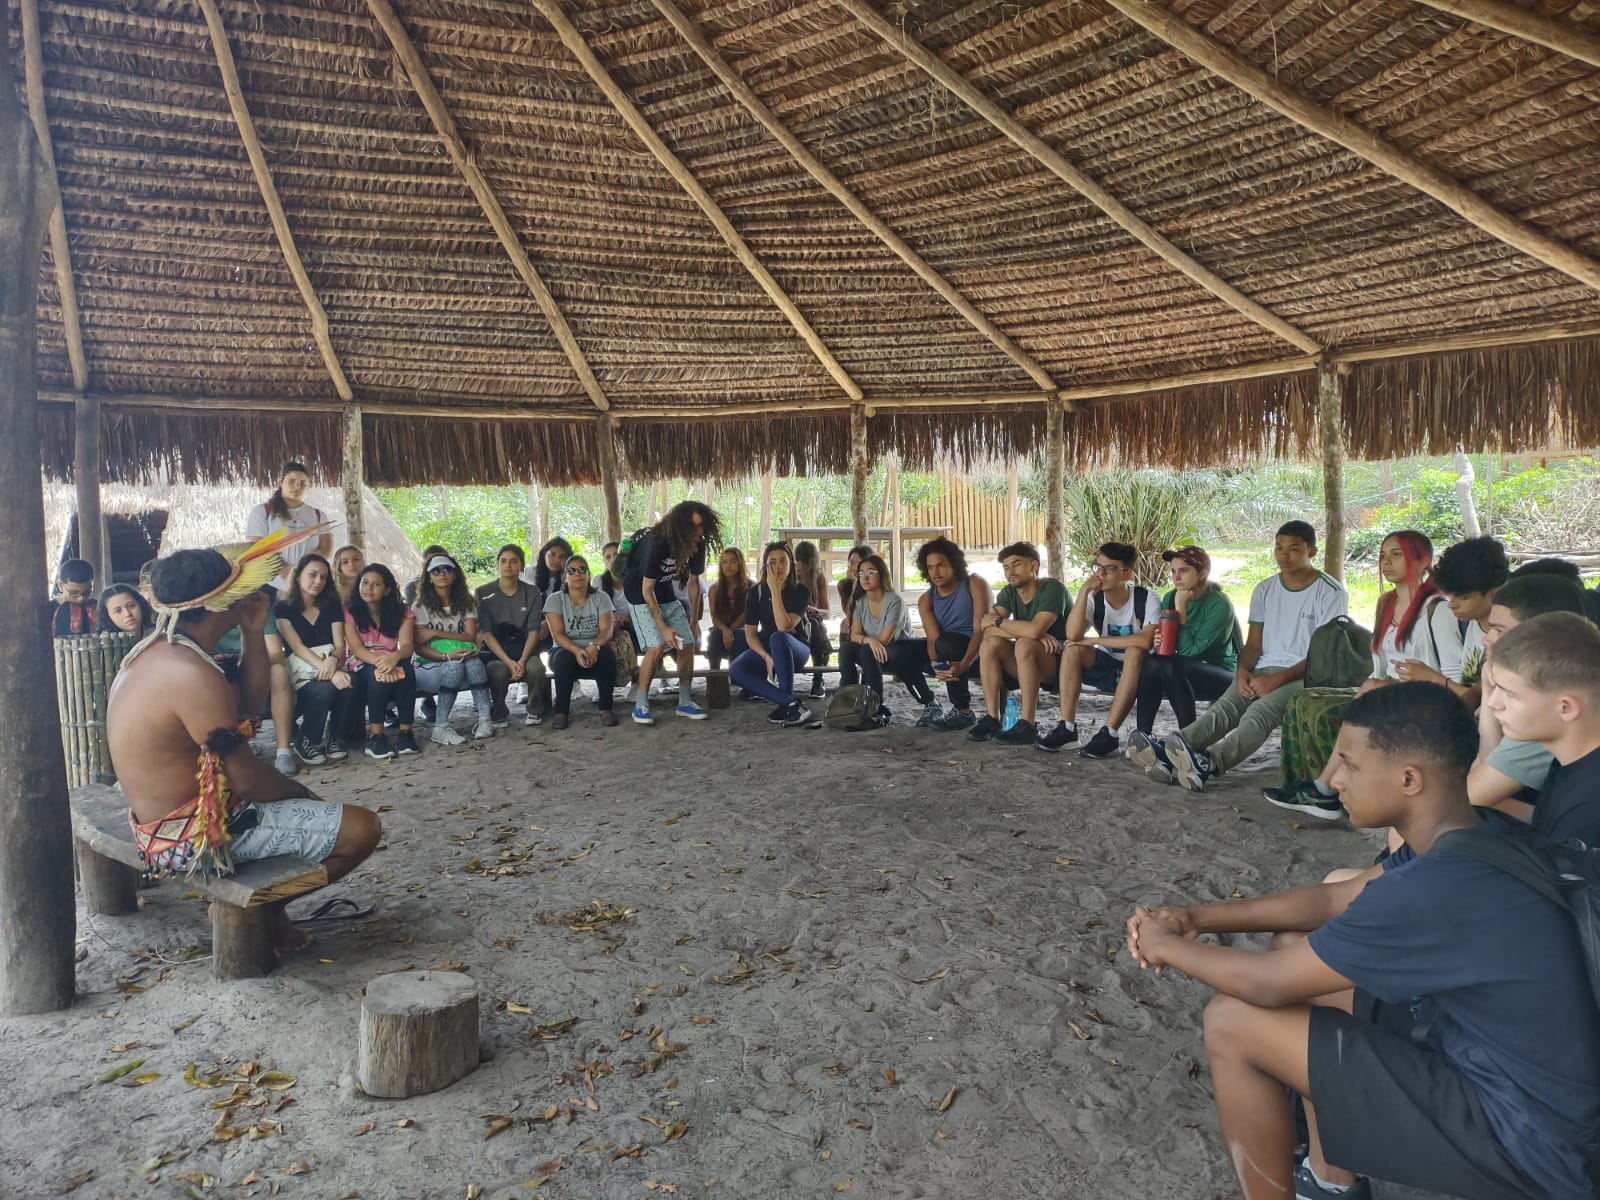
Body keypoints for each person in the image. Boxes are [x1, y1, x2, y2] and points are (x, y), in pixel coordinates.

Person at [1126, 683, 1600, 1200]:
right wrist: (1196, 918)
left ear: (1409, 779)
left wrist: (1164, 945)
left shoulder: (1437, 888)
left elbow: (1264, 985)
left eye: (1348, 763)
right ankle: (1334, 1182)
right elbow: (1335, 900)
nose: (1331, 779)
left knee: (1231, 1021)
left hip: (1533, 1141)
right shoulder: (1475, 834)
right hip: (1523, 1080)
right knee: (1292, 945)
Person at [106, 540, 380, 954]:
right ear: (224, 600)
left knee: (307, 812)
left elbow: (249, 709)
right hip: (188, 839)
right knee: (362, 828)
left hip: (167, 826)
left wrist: (254, 635)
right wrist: (304, 795)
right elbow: (248, 781)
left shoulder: (165, 654)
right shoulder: (189, 673)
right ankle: (261, 913)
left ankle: (271, 915)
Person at [1264, 530, 1463, 820]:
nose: (1387, 562)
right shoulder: (1386, 603)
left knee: (1331, 710)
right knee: (1301, 700)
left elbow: (1453, 676)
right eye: (1383, 555)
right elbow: (1379, 666)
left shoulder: (1437, 609)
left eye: (1397, 554)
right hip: (1385, 688)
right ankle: (1304, 786)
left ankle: (1327, 791)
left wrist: (1420, 677)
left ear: (1424, 562)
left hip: (1425, 696)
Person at [1152, 522, 1347, 792]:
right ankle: (1173, 748)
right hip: (1263, 668)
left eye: (1293, 549)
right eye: (1279, 547)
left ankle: (1210, 762)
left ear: (1311, 551)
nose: (1283, 555)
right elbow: (1253, 644)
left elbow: (1324, 655)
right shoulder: (1265, 589)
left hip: (1308, 674)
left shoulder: (1330, 592)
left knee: (1259, 712)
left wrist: (1277, 679)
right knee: (1226, 707)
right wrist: (1243, 671)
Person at [1468, 571, 1590, 812]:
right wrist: (1491, 685)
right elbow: (1486, 765)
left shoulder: (1545, 705)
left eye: (1500, 631)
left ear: (1537, 636)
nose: (1486, 640)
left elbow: (1472, 795)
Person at [1482, 610, 1600, 844]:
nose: (1493, 703)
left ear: (1566, 708)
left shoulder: (1588, 807)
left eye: (1510, 694)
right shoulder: (1569, 761)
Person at [1039, 541, 1161, 757]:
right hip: (1108, 666)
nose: (1101, 574)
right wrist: (1084, 590)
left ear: (1127, 574)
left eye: (1110, 569)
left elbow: (1144, 642)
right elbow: (1073, 636)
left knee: (1134, 651)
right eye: (1098, 567)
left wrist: (1095, 641)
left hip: (1142, 672)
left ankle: (1110, 734)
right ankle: (1067, 728)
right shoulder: (1094, 597)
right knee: (1072, 649)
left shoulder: (1146, 598)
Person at [623, 500, 720, 724]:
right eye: (694, 527)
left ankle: (684, 701)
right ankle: (641, 704)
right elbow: (647, 590)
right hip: (639, 594)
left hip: (665, 592)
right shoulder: (657, 543)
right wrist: (664, 628)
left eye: (702, 526)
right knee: (656, 645)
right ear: (680, 527)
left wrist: (694, 621)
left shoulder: (698, 544)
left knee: (687, 642)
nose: (700, 532)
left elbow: (694, 584)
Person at [1128, 546, 1237, 746]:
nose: (1176, 577)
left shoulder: (1219, 604)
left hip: (1222, 673)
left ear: (1202, 572)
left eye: (1184, 570)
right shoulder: (1170, 597)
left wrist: (1181, 611)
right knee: (1151, 661)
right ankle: (1144, 735)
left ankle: (1189, 738)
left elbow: (1190, 652)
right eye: (1173, 571)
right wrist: (1158, 641)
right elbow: (1167, 649)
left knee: (1172, 665)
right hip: (1182, 671)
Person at [969, 541, 1069, 745]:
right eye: (1006, 567)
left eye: (1016, 564)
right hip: (1027, 660)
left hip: (1060, 664)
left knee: (1023, 643)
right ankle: (993, 717)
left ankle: (1028, 724)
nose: (1010, 572)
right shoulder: (1009, 592)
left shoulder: (1052, 588)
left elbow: (1024, 627)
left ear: (1033, 566)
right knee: (990, 643)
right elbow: (985, 627)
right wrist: (1033, 633)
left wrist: (1013, 626)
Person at [1405, 534, 1509, 707]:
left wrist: (1433, 678)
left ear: (1494, 592)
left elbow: (1488, 701)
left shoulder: (1511, 637)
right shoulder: (1472, 621)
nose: (1452, 605)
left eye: (1463, 598)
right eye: (1449, 596)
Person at [272, 554, 355, 766]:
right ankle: (306, 739)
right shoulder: (282, 608)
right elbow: (297, 647)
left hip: (330, 661)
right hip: (301, 669)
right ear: (298, 575)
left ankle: (335, 737)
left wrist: (333, 662)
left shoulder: (332, 605)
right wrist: (330, 670)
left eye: (323, 577)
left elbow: (339, 645)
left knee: (348, 685)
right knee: (324, 689)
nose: (318, 581)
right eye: (312, 575)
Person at [913, 536, 992, 732]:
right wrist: (935, 663)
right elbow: (932, 638)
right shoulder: (926, 599)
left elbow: (979, 631)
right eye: (930, 567)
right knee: (902, 651)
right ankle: (930, 704)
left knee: (949, 643)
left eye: (941, 565)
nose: (935, 572)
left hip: (976, 651)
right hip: (945, 652)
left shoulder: (974, 583)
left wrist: (964, 663)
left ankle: (963, 711)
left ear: (954, 564)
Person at [411, 554, 493, 745]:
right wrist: (446, 655)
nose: (442, 574)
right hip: (428, 666)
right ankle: (440, 727)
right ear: (429, 577)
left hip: (461, 662)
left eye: (447, 570)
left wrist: (435, 633)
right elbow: (420, 648)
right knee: (455, 665)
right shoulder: (420, 606)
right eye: (436, 571)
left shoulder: (466, 602)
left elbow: (469, 636)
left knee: (473, 662)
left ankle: (485, 720)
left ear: (455, 575)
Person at [728, 541, 812, 726]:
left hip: (796, 647)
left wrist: (775, 590)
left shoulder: (801, 591)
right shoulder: (755, 593)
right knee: (736, 669)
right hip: (768, 648)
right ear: (766, 566)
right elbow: (750, 634)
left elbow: (784, 627)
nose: (778, 566)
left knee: (778, 637)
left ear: (792, 563)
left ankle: (787, 702)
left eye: (783, 561)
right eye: (772, 562)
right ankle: (789, 703)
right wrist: (764, 656)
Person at [344, 564, 420, 760]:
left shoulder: (403, 612)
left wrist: (393, 657)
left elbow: (406, 646)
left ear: (387, 590)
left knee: (407, 672)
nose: (369, 588)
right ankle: (376, 736)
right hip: (362, 662)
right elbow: (357, 649)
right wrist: (382, 663)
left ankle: (406, 733)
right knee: (377, 676)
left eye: (376, 584)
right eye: (365, 583)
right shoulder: (349, 612)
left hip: (392, 659)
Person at [851, 553, 935, 722]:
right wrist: (868, 640)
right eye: (861, 573)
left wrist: (868, 641)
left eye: (870, 573)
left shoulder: (894, 601)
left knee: (875, 652)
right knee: (848, 649)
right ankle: (848, 699)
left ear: (881, 574)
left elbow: (884, 639)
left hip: (903, 650)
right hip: (876, 653)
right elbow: (854, 635)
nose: (864, 577)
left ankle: (877, 706)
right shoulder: (860, 602)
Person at [473, 544, 549, 728]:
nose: (508, 565)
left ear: (522, 566)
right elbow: (487, 633)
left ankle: (535, 710)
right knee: (497, 670)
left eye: (514, 561)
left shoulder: (532, 593)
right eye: (503, 561)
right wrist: (508, 662)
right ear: (498, 565)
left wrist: (522, 660)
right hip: (498, 652)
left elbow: (533, 630)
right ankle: (499, 712)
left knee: (537, 668)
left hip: (526, 649)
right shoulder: (483, 593)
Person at [544, 554, 618, 729]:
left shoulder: (601, 597)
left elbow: (606, 629)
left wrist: (595, 646)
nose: (577, 574)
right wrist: (577, 651)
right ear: (565, 576)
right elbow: (558, 634)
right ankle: (561, 711)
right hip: (565, 648)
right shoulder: (555, 599)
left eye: (582, 570)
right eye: (571, 571)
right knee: (563, 659)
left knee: (607, 656)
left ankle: (606, 708)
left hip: (595, 646)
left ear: (588, 574)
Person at [245, 461, 332, 593]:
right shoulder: (262, 511)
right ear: (281, 483)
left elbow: (326, 549)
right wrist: (284, 569)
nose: (297, 486)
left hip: (309, 587)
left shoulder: (318, 515)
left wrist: (299, 568)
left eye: (303, 483)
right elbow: (256, 547)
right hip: (272, 585)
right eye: (291, 481)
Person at [792, 541, 833, 699]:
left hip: (813, 624)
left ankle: (818, 679)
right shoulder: (791, 579)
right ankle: (817, 677)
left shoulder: (819, 580)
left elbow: (828, 613)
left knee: (815, 624)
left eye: (805, 563)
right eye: (798, 563)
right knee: (814, 626)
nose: (801, 567)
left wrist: (815, 610)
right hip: (795, 624)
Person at [598, 540, 638, 693]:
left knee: (634, 634)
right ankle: (605, 687)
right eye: (608, 557)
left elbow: (643, 608)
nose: (613, 560)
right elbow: (597, 609)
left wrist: (625, 619)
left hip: (632, 622)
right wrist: (612, 622)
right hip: (607, 623)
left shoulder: (635, 580)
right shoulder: (598, 582)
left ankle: (636, 684)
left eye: (616, 555)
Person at [706, 547, 751, 671]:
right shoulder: (714, 589)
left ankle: (743, 678)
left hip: (743, 628)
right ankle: (714, 678)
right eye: (724, 562)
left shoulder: (751, 587)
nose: (728, 566)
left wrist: (730, 631)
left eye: (732, 561)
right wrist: (724, 629)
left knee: (740, 635)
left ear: (740, 563)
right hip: (722, 628)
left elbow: (748, 613)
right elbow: (714, 616)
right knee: (715, 635)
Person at [835, 544, 874, 687]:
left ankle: (867, 679)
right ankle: (848, 678)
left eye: (855, 563)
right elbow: (850, 615)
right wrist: (855, 584)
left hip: (874, 631)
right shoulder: (845, 586)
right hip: (856, 629)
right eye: (850, 562)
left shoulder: (876, 586)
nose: (851, 566)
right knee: (845, 626)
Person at [52, 558, 98, 637]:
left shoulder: (98, 607)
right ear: (60, 586)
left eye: (87, 593)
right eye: (73, 593)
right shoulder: (48, 610)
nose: (81, 598)